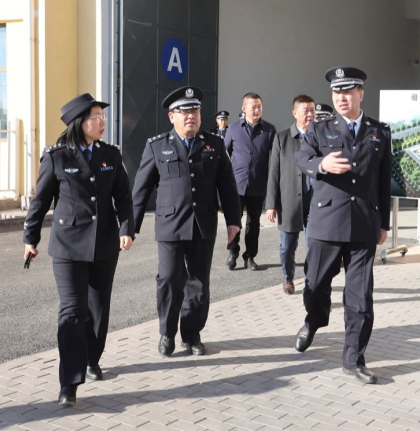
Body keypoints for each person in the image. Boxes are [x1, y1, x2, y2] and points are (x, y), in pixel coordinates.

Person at [23, 93, 134, 406]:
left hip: (104, 244)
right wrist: (30, 239)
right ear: (78, 122)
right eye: (95, 117)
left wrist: (127, 229)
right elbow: (40, 202)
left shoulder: (111, 155)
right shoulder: (57, 156)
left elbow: (123, 197)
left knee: (98, 308)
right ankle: (69, 383)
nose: (101, 121)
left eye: (102, 116)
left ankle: (91, 359)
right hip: (68, 246)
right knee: (72, 311)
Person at [293, 66, 391, 384]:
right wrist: (321, 163)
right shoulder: (319, 129)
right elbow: (302, 158)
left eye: (348, 91)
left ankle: (354, 359)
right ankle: (315, 320)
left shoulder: (379, 132)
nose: (342, 97)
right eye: (337, 92)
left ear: (361, 93)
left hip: (364, 223)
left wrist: (384, 223)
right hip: (327, 222)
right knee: (315, 285)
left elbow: (383, 181)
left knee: (360, 297)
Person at [131, 86, 241, 358]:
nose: (191, 116)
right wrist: (129, 228)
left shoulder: (214, 144)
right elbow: (141, 190)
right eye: (185, 111)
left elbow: (227, 186)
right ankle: (167, 333)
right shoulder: (157, 145)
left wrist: (233, 221)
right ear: (172, 117)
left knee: (199, 283)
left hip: (203, 224)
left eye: (195, 111)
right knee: (169, 279)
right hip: (170, 225)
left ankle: (191, 335)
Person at [266, 95, 316, 295]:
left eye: (312, 110)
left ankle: (312, 282)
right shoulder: (282, 138)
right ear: (295, 113)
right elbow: (273, 173)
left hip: (315, 201)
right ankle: (288, 278)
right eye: (306, 110)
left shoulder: (321, 136)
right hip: (289, 201)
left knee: (314, 246)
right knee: (287, 246)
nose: (310, 114)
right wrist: (271, 204)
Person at [224, 92, 276, 271]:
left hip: (258, 184)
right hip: (236, 185)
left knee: (253, 224)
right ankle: (232, 252)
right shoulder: (233, 129)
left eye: (259, 106)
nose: (256, 110)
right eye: (253, 107)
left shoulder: (269, 130)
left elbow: (275, 157)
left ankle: (250, 256)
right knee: (234, 221)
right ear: (244, 108)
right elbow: (225, 154)